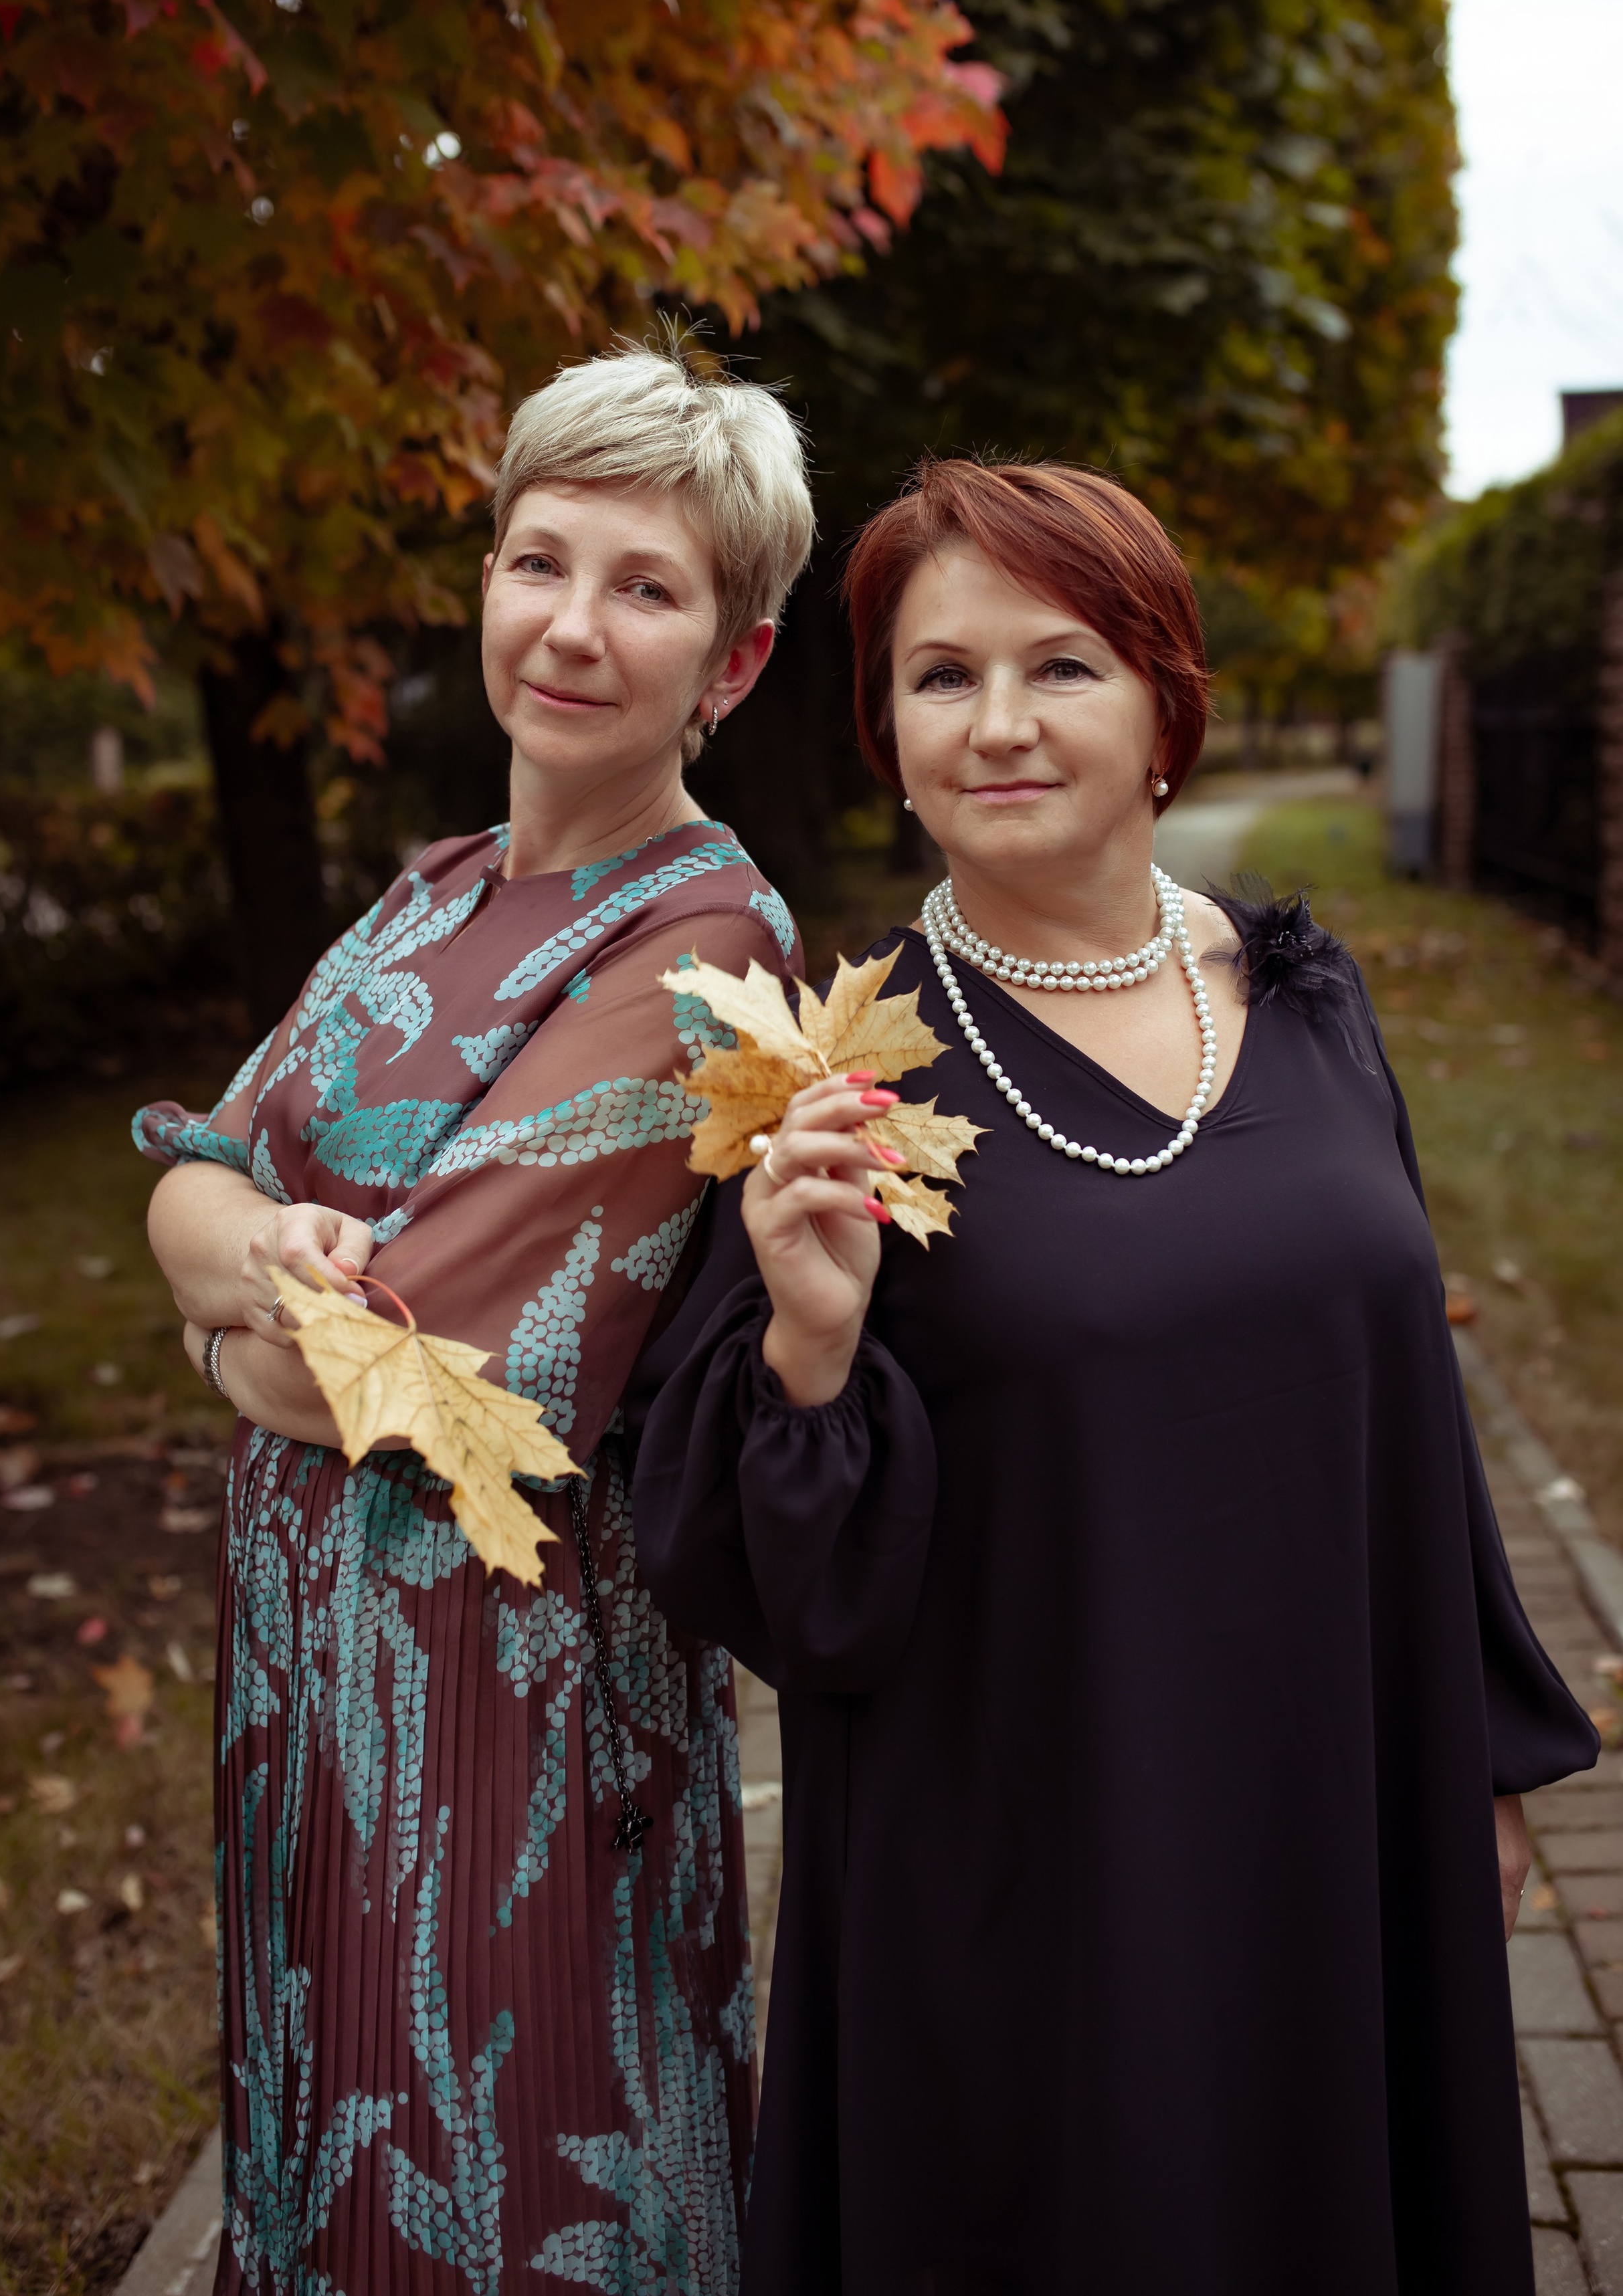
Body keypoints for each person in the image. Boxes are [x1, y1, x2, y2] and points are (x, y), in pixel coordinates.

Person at [630, 457, 1597, 2296]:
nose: (1000, 722)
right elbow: (781, 1594)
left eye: (1061, 665)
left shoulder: (1310, 999)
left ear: (1165, 700)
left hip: (1330, 1815)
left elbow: (1408, 1410)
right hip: (1032, 1881)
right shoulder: (828, 1083)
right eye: (941, 676)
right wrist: (809, 1344)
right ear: (887, 736)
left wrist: (1478, 1757)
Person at [134, 340, 813, 2294]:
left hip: (507, 1731)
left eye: (647, 587)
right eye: (543, 560)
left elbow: (420, 1380)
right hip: (309, 1696)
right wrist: (248, 1262)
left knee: (509, 2200)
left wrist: (233, 1306)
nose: (574, 626)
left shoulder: (704, 949)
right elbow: (188, 1171)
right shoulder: (427, 896)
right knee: (325, 2169)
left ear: (734, 662)